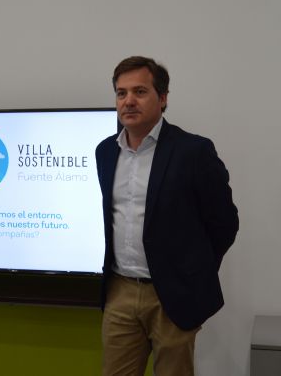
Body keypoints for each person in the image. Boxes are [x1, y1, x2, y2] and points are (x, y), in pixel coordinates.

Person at [95, 56, 238, 376]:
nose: (128, 101)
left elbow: (224, 223)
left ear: (162, 98)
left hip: (172, 294)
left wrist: (191, 273)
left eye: (140, 91)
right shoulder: (105, 152)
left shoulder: (193, 151)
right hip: (120, 290)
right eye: (121, 93)